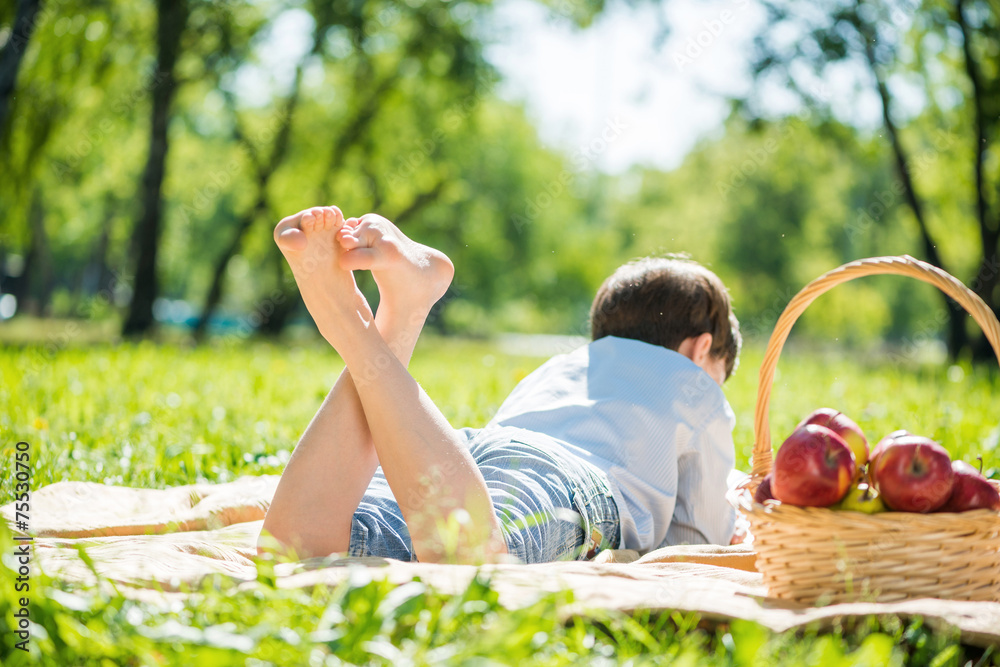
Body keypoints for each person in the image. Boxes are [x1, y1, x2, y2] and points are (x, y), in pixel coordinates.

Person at [258, 205, 741, 565]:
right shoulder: (694, 385)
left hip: (472, 453)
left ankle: (396, 317)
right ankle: (357, 327)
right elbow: (701, 535)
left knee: (299, 547)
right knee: (473, 562)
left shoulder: (562, 365)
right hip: (571, 483)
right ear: (700, 351)